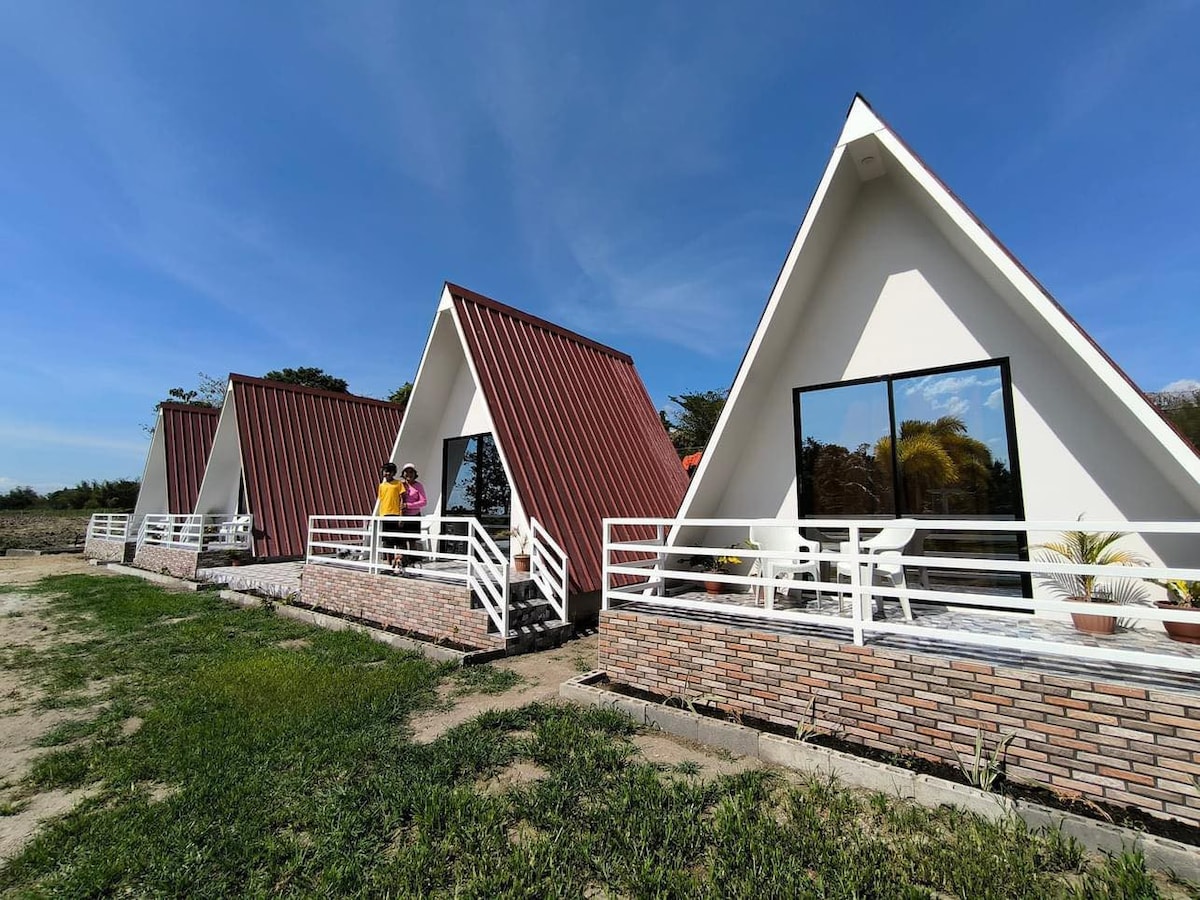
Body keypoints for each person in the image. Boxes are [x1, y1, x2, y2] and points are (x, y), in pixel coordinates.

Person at [397, 463, 427, 567]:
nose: (409, 474)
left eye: (411, 472)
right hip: (402, 516)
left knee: (412, 541)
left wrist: (408, 505)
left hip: (414, 516)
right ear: (403, 474)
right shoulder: (401, 485)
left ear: (415, 474)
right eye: (407, 472)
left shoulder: (418, 486)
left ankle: (412, 562)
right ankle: (404, 562)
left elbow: (423, 502)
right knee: (402, 541)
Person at [377, 462, 405, 570]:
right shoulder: (381, 486)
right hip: (385, 514)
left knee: (398, 541)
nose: (387, 473)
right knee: (387, 542)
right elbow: (382, 500)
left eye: (389, 471)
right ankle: (389, 565)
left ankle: (398, 562)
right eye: (385, 471)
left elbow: (402, 499)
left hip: (396, 514)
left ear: (393, 473)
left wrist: (401, 516)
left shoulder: (398, 483)